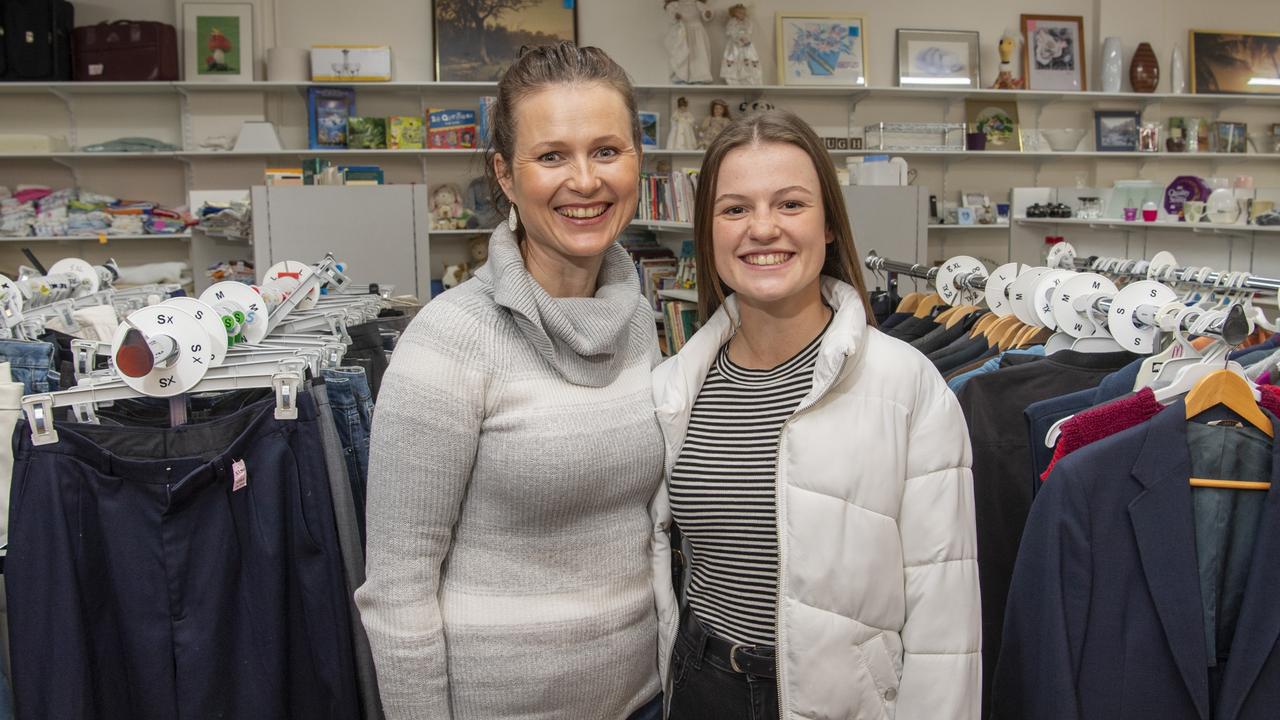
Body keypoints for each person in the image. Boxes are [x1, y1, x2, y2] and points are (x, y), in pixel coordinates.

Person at [356, 42, 665, 720]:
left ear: (638, 161)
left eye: (607, 151)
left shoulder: (639, 321)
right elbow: (398, 589)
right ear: (504, 173)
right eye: (551, 155)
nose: (585, 181)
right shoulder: (449, 340)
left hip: (643, 699)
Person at [651, 109, 981, 719]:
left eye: (791, 204)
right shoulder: (673, 387)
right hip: (700, 686)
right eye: (734, 209)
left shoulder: (907, 386)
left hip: (840, 702)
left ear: (829, 224)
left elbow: (945, 623)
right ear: (709, 232)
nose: (762, 228)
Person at [720, 4, 762, 86]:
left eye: (743, 13)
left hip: (746, 44)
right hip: (735, 44)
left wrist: (745, 37)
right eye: (739, 13)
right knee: (734, 59)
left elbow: (749, 31)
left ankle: (748, 78)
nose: (741, 14)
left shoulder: (747, 22)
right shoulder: (732, 21)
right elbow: (729, 32)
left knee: (748, 58)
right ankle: (734, 79)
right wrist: (737, 38)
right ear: (734, 13)